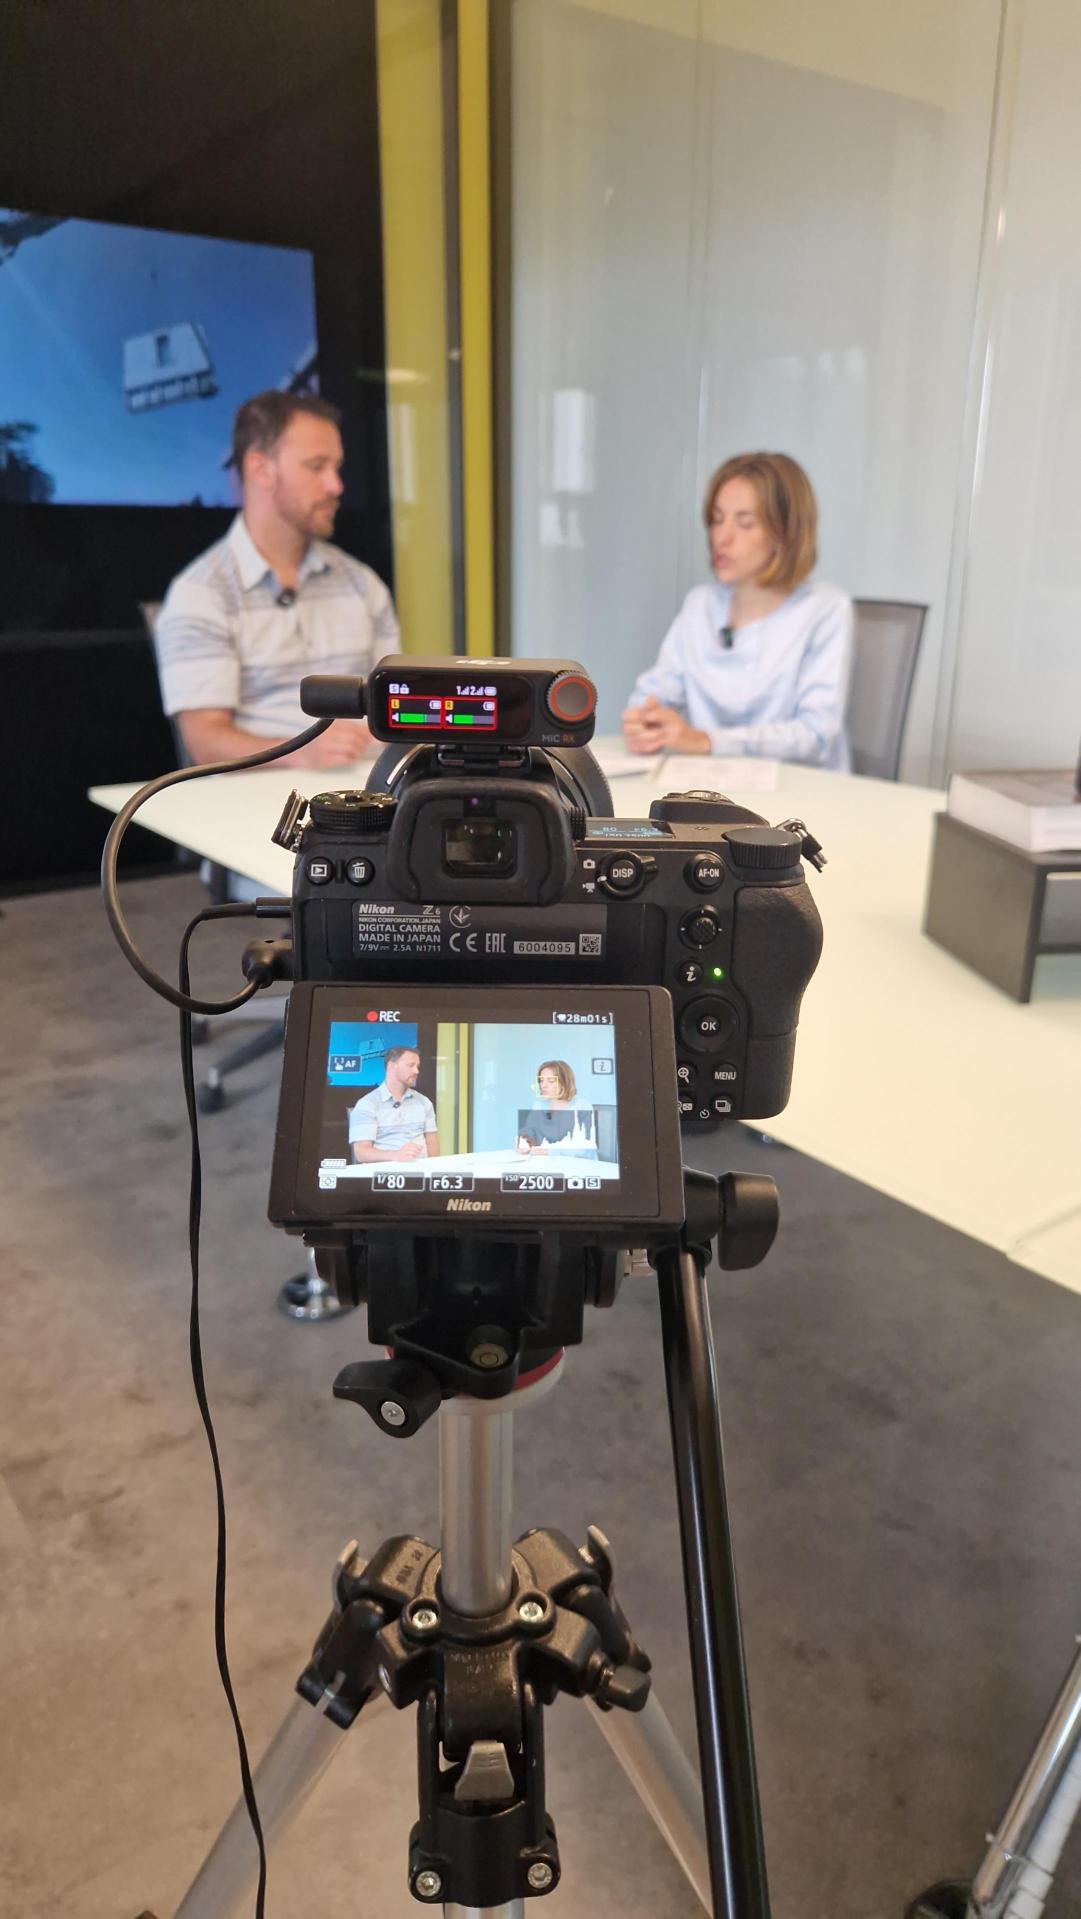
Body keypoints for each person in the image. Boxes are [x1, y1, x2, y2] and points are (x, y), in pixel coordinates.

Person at [154, 390, 399, 770]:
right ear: (261, 469)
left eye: (336, 467)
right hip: (260, 800)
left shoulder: (362, 584)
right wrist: (301, 752)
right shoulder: (201, 593)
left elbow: (395, 704)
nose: (336, 485)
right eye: (317, 466)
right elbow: (204, 741)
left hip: (371, 791)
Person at [622, 451, 853, 769]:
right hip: (712, 785)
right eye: (717, 519)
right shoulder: (701, 604)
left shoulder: (825, 608)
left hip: (801, 789)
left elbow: (816, 735)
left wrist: (706, 741)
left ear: (784, 534)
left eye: (745, 523)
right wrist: (644, 721)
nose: (722, 537)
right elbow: (654, 692)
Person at [348, 1047, 441, 1164]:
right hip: (386, 1173)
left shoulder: (423, 1101)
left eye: (417, 1066)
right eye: (411, 1065)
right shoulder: (367, 1104)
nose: (416, 1071)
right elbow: (361, 1153)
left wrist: (433, 1169)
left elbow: (432, 1141)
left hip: (421, 1172)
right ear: (391, 1066)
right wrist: (395, 1155)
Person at [515, 1061, 597, 1158]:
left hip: (580, 1164)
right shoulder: (539, 1106)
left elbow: (582, 1149)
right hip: (547, 1163)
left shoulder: (582, 1106)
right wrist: (524, 1141)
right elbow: (528, 1131)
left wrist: (546, 1151)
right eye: (541, 1080)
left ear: (564, 1083)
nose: (543, 1085)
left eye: (551, 1081)